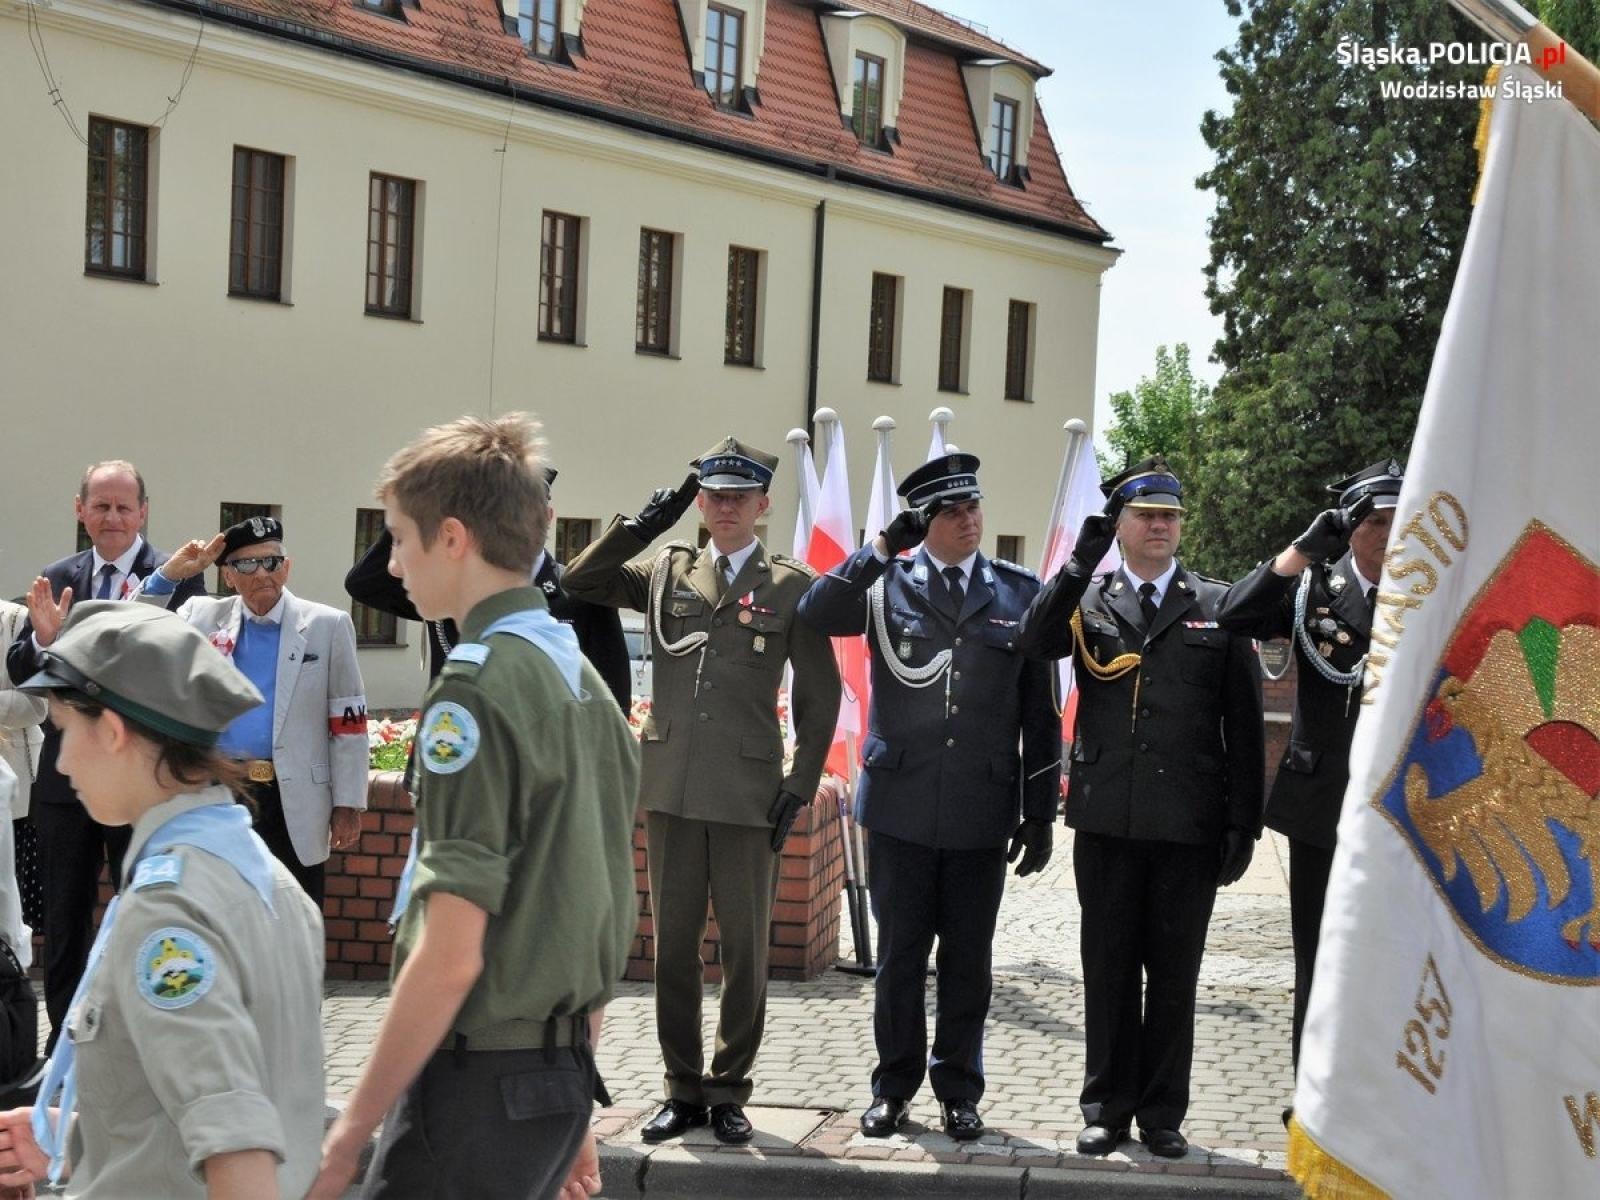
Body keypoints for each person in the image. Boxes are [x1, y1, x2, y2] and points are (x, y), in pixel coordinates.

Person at [310, 413, 639, 1200]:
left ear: (452, 538)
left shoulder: (474, 687)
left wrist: (347, 1139)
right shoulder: (583, 683)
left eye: (397, 538)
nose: (393, 562)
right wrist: (575, 1100)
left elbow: (453, 952)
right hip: (551, 1079)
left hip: (472, 1082)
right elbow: (598, 906)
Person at [563, 436, 840, 1146]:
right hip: (673, 786)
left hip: (749, 791)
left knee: (745, 951)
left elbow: (819, 692)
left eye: (737, 497)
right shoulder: (667, 570)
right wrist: (647, 523)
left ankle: (729, 1089)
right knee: (673, 946)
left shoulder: (791, 586)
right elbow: (580, 582)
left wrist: (801, 782)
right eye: (713, 496)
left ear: (762, 505)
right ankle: (682, 1087)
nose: (724, 508)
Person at [0, 600, 325, 1197]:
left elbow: (237, 1144)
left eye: (66, 732)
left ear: (115, 731)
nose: (63, 762)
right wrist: (82, 1138)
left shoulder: (169, 907)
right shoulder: (266, 877)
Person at [796, 453, 1059, 1141]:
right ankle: (894, 1086)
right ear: (924, 523)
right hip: (902, 807)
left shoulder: (1018, 593)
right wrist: (881, 547)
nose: (969, 520)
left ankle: (959, 1089)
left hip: (980, 805)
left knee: (968, 960)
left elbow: (1041, 711)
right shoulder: (887, 586)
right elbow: (817, 611)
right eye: (952, 511)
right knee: (901, 958)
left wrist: (1038, 813)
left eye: (974, 507)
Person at [1017, 455, 1264, 1160]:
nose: (1161, 526)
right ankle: (1106, 1107)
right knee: (1110, 968)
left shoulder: (1216, 605)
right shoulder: (1087, 602)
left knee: (1175, 974)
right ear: (1119, 525)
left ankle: (1162, 1114)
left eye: (1171, 516)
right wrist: (1076, 564)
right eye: (1147, 515)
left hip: (1188, 823)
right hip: (1108, 820)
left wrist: (1243, 821)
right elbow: (1032, 645)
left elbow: (1243, 726)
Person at [5, 460, 206, 1053]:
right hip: (67, 781)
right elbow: (23, 671)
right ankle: (64, 1046)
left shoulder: (181, 578)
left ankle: (133, 1042)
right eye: (101, 506)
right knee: (64, 920)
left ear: (143, 512)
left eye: (123, 506)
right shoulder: (58, 575)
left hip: (141, 781)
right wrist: (44, 640)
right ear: (80, 511)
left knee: (141, 911)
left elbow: (179, 670)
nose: (112, 517)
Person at [1215, 458, 1402, 1087]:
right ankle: (1316, 1095)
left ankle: (1382, 1095)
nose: (1389, 531)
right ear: (1348, 527)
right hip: (1324, 804)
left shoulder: (1430, 590)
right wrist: (1299, 551)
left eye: (1401, 518)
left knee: (1396, 960)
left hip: (1407, 808)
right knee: (1319, 956)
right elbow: (1235, 615)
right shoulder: (1315, 588)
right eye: (1375, 520)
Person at [136, 516, 369, 906]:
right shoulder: (201, 616)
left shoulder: (327, 625)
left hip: (293, 799)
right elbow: (135, 630)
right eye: (247, 564)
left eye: (272, 562)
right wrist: (168, 576)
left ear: (287, 567)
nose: (262, 572)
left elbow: (349, 723)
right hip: (221, 792)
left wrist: (348, 802)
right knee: (220, 910)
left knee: (295, 913)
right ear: (228, 575)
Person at [345, 467, 633, 710]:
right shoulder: (454, 583)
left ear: (548, 516)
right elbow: (366, 583)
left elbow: (612, 700)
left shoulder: (578, 592)